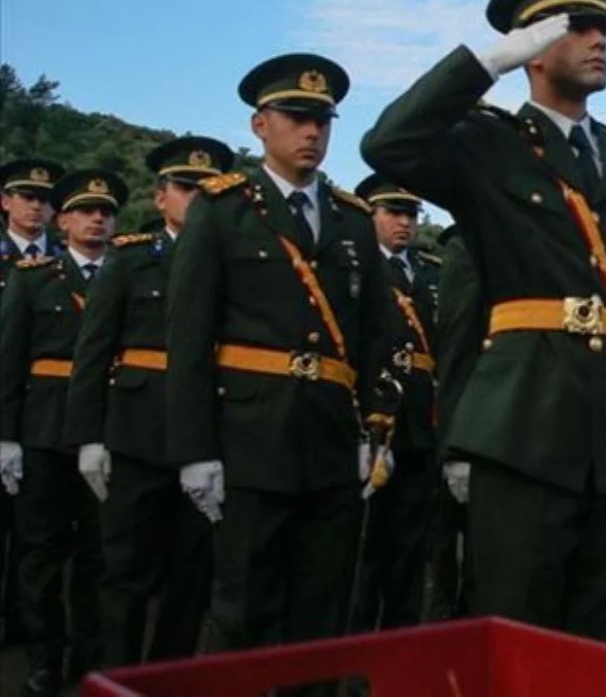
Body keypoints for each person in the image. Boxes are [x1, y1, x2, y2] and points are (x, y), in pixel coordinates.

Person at [362, 0, 606, 642]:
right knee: (516, 634)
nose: (599, 41)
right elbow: (388, 144)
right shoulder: (487, 143)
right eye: (579, 27)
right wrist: (488, 61)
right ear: (534, 48)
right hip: (522, 428)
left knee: (597, 642)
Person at [166, 53, 393, 654]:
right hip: (248, 439)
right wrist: (194, 450)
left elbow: (375, 336)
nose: (312, 131)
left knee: (322, 612)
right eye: (296, 116)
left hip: (329, 441)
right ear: (260, 125)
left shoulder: (352, 220)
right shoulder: (222, 209)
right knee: (243, 606)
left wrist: (373, 428)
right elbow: (188, 336)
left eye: (322, 119)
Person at [66, 138, 232, 667]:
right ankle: (116, 678)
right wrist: (88, 436)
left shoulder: (238, 262)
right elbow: (93, 351)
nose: (197, 197)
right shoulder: (131, 258)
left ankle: (170, 681)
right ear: (160, 198)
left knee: (191, 578)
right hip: (135, 435)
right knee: (125, 574)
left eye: (208, 189)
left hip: (208, 437)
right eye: (186, 187)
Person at [1, 167, 127, 693]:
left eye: (106, 212)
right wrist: (6, 434)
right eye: (85, 211)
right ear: (64, 218)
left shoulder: (129, 272)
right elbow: (9, 359)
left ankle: (89, 657)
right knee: (41, 551)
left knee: (100, 555)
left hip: (107, 426)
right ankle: (42, 657)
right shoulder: (36, 278)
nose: (96, 220)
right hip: (45, 429)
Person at [348, 175, 441, 631]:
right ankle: (356, 653)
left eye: (410, 214)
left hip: (420, 424)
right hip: (372, 423)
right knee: (365, 549)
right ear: (370, 215)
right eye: (392, 212)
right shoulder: (353, 269)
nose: (404, 222)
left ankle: (402, 645)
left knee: (409, 549)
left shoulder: (429, 274)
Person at [0, 157, 63, 649]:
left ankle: (23, 623)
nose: (37, 206)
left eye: (44, 199)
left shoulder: (64, 262)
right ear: (5, 201)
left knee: (35, 530)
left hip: (43, 409)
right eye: (27, 197)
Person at [425, 224, 477, 621]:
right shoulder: (469, 247)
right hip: (473, 420)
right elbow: (457, 352)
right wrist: (456, 445)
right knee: (447, 539)